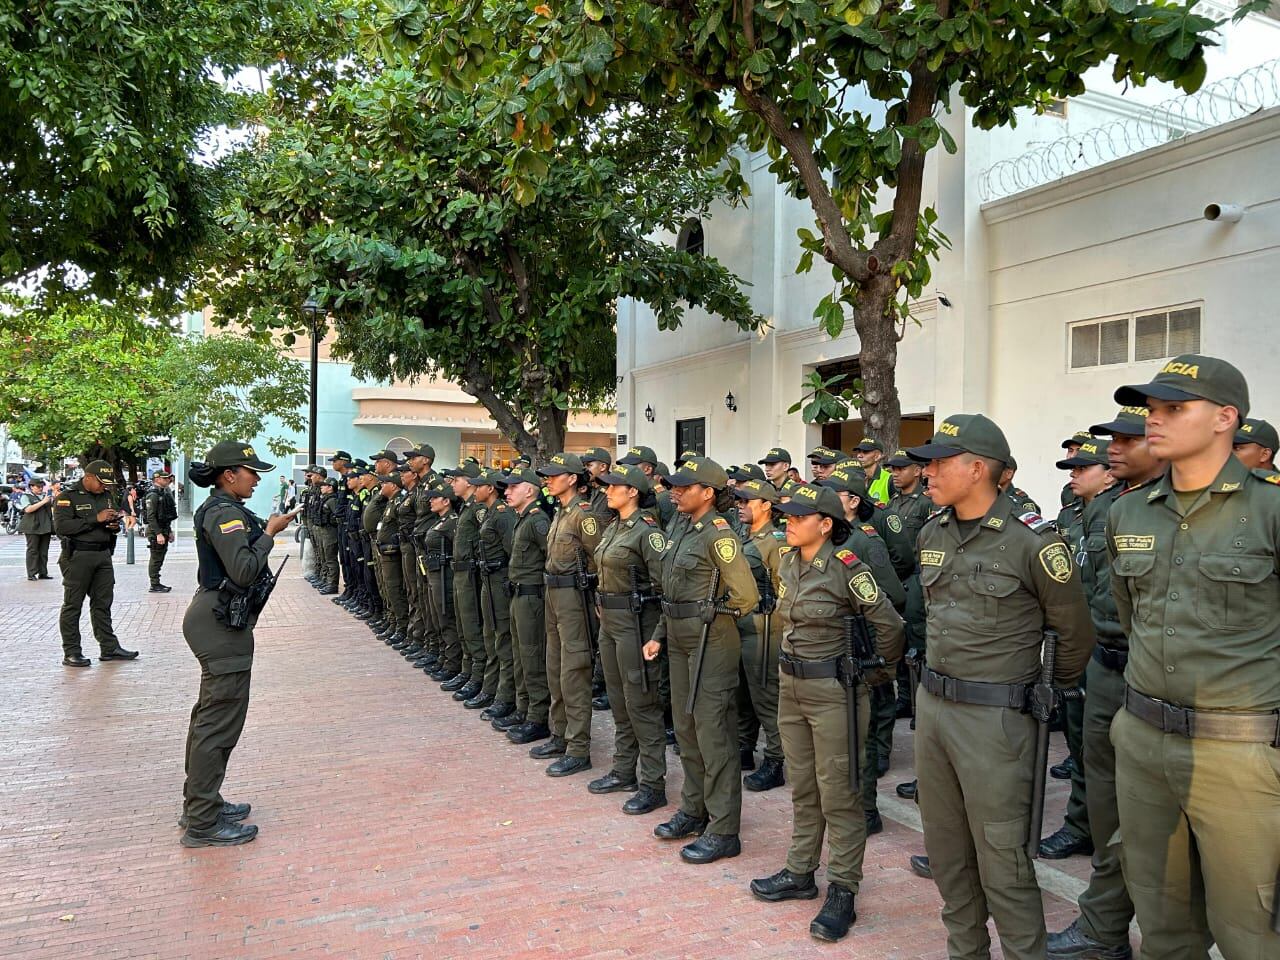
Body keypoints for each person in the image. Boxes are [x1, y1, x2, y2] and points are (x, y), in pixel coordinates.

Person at [1106, 356, 1280, 958]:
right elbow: (1132, 616)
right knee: (1162, 925)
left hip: (1239, 752)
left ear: (1225, 418)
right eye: (1152, 409)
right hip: (1144, 742)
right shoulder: (1128, 511)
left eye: (1174, 408)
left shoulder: (1270, 509)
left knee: (1251, 931)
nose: (1153, 421)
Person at [908, 414, 1093, 960]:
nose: (928, 473)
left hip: (996, 719)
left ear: (978, 469)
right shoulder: (932, 531)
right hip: (933, 708)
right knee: (946, 851)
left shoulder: (1033, 542)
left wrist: (1032, 697)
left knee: (1003, 859)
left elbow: (1073, 635)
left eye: (940, 463)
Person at [749, 482, 906, 942]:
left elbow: (890, 627)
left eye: (799, 517)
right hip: (792, 687)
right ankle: (800, 870)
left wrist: (874, 678)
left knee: (840, 792)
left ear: (825, 524)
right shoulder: (788, 562)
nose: (789, 523)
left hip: (834, 692)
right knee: (803, 785)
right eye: (788, 516)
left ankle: (843, 889)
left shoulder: (847, 568)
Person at [1046, 405, 1164, 960]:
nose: (1114, 447)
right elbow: (1107, 598)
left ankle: (1115, 923)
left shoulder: (1245, 507)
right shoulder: (1120, 511)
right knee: (1106, 801)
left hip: (1168, 682)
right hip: (1108, 666)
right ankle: (1105, 924)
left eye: (1127, 437)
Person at [643, 456, 759, 864]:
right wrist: (659, 634)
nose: (674, 492)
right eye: (673, 485)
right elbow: (673, 590)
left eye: (684, 486)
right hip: (679, 636)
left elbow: (746, 596)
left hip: (711, 637)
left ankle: (724, 829)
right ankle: (694, 810)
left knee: (713, 733)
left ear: (708, 492)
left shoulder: (718, 534)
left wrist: (716, 610)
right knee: (686, 727)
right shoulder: (682, 527)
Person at [180, 441, 295, 847]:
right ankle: (202, 822)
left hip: (220, 618)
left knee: (210, 718)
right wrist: (269, 535)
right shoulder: (224, 513)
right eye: (251, 473)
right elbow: (244, 570)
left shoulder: (227, 509)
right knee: (218, 724)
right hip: (219, 624)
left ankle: (202, 803)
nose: (256, 480)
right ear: (229, 475)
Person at [591, 463, 669, 812]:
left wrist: (658, 634)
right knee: (619, 700)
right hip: (611, 621)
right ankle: (624, 770)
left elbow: (666, 588)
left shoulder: (647, 533)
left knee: (642, 703)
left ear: (633, 491)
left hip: (637, 622)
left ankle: (653, 783)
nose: (607, 490)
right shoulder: (615, 526)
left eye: (614, 486)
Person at [535, 453, 604, 775]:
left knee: (574, 671)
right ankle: (560, 733)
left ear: (573, 478)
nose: (548, 480)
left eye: (554, 475)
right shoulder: (561, 512)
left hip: (575, 597)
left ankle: (578, 748)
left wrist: (597, 599)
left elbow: (599, 560)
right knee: (555, 667)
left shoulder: (583, 515)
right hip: (554, 593)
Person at [52, 461, 138, 667]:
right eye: (101, 482)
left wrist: (113, 525)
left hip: (103, 555)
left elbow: (110, 519)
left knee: (103, 603)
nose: (104, 486)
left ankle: (109, 647)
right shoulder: (67, 497)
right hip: (78, 556)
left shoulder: (106, 495)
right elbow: (62, 527)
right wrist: (96, 518)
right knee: (73, 604)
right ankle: (72, 651)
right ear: (88, 477)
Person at [732, 478, 787, 792]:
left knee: (766, 697)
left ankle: (776, 760)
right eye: (739, 501)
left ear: (766, 505)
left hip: (764, 629)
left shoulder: (776, 542)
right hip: (740, 625)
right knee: (742, 695)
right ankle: (744, 748)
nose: (740, 506)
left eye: (747, 501)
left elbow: (785, 590)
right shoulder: (743, 535)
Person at [502, 467, 552, 744]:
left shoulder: (538, 520)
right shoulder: (522, 519)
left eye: (513, 487)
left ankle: (538, 717)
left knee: (533, 657)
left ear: (530, 490)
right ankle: (524, 709)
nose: (507, 492)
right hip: (518, 595)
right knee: (520, 656)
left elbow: (550, 558)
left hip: (532, 597)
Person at [473, 469, 517, 717]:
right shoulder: (490, 512)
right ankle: (490, 688)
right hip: (488, 580)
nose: (474, 489)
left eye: (479, 485)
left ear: (490, 488)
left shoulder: (503, 514)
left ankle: (505, 695)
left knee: (503, 639)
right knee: (490, 635)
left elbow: (513, 553)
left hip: (500, 580)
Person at [143, 470, 179, 593]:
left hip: (164, 529)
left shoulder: (163, 493)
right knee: (156, 558)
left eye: (168, 478)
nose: (167, 480)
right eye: (165, 478)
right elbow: (151, 517)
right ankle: (154, 584)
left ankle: (156, 583)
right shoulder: (153, 495)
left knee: (160, 557)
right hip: (156, 531)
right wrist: (158, 534)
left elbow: (165, 516)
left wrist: (169, 531)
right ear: (157, 479)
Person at [19, 477, 56, 580]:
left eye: (42, 486)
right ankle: (31, 573)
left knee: (44, 551)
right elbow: (28, 509)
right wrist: (43, 501)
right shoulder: (26, 496)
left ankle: (43, 572)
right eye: (38, 486)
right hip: (32, 527)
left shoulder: (46, 496)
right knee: (33, 550)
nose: (40, 488)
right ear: (31, 487)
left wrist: (53, 498)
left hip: (46, 526)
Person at [854, 439, 894, 506]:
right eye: (859, 452)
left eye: (865, 452)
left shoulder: (889, 479)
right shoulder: (852, 477)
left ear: (877, 456)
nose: (859, 456)